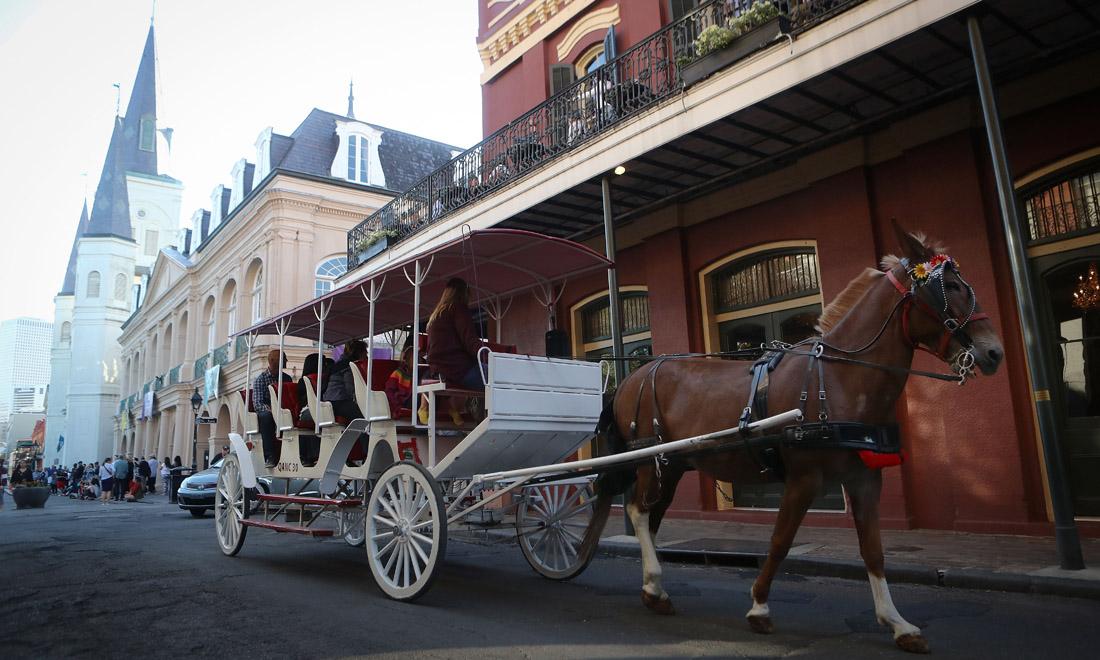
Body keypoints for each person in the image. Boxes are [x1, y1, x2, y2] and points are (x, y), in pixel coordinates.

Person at [423, 278, 487, 425]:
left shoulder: (436, 315)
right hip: (458, 369)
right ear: (464, 293)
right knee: (498, 381)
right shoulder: (458, 308)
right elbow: (469, 340)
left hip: (440, 370)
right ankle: (487, 424)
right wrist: (489, 356)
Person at [254, 349, 292, 469]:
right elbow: (258, 404)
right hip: (269, 412)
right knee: (266, 417)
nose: (286, 360)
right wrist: (272, 410)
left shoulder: (287, 379)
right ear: (272, 360)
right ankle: (269, 456)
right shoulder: (261, 379)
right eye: (283, 358)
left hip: (283, 411)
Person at [297, 353, 333, 466]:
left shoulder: (326, 377)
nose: (325, 366)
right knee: (319, 414)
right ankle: (313, 455)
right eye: (324, 363)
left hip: (322, 407)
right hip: (308, 409)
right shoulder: (304, 381)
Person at [323, 339, 368, 423]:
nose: (366, 357)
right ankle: (361, 435)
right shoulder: (348, 365)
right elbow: (350, 387)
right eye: (365, 353)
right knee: (361, 414)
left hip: (331, 399)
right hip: (338, 400)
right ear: (358, 353)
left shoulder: (339, 364)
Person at [385, 345, 416, 418]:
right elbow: (388, 391)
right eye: (416, 358)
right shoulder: (398, 373)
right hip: (403, 403)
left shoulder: (420, 375)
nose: (420, 361)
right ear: (406, 361)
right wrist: (398, 407)